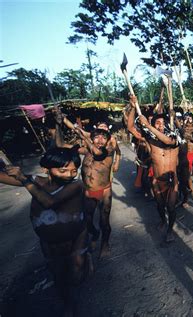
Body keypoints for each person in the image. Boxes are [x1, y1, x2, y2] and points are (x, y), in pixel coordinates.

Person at [0, 147, 88, 316]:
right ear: (46, 170)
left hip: (77, 234)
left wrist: (24, 180)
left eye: (74, 170)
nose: (70, 175)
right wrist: (17, 174)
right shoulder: (36, 181)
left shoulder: (76, 185)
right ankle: (67, 300)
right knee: (58, 273)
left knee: (76, 270)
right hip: (49, 241)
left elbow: (49, 202)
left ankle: (72, 302)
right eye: (63, 170)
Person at [54, 110, 118, 258]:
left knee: (104, 222)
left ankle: (105, 244)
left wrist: (85, 136)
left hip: (104, 192)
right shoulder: (86, 151)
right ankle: (95, 235)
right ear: (92, 138)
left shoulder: (109, 150)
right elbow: (60, 144)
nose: (100, 140)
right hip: (88, 191)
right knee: (87, 220)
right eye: (97, 137)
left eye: (103, 137)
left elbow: (98, 154)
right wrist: (58, 124)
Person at [127, 97, 180, 242]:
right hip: (157, 180)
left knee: (171, 206)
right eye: (157, 123)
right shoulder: (149, 141)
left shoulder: (176, 137)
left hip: (171, 180)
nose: (161, 125)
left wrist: (148, 126)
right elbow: (131, 128)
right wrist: (132, 107)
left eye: (163, 123)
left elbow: (168, 141)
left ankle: (170, 229)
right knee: (160, 205)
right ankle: (163, 221)